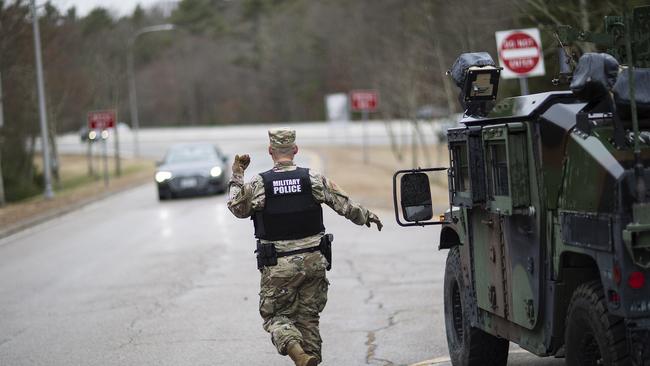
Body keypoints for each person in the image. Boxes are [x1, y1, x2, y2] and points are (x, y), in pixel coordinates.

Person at [227, 127, 383, 366]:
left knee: (276, 317)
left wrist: (237, 174)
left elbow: (237, 208)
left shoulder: (260, 183)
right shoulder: (312, 179)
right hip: (314, 262)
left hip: (279, 267)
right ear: (295, 150)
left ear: (271, 151)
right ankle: (311, 359)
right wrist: (368, 216)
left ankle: (297, 353)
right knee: (309, 318)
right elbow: (343, 204)